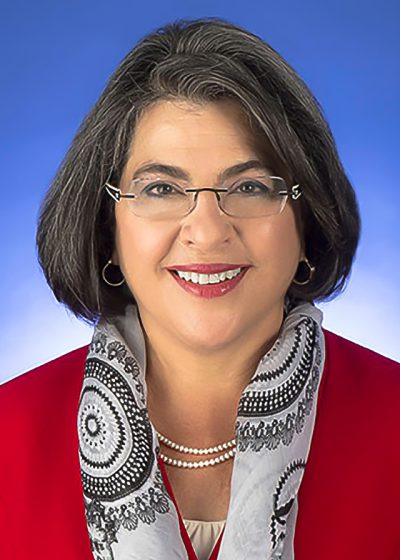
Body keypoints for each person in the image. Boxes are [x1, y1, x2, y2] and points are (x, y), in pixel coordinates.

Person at [0, 16, 399, 560]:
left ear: (309, 223)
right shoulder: (9, 434)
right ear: (107, 230)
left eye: (251, 187)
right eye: (162, 188)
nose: (208, 231)